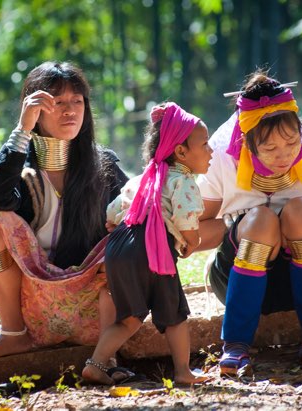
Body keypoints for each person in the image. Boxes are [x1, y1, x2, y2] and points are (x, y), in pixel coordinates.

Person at [0, 61, 131, 375]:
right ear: (34, 109)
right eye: (57, 103)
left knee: (129, 234)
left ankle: (107, 351)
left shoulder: (102, 165)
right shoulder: (18, 169)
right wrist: (22, 131)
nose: (69, 111)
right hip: (30, 303)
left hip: (90, 302)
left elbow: (136, 210)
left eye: (76, 101)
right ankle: (13, 335)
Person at [196, 71, 302, 377]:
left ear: (301, 132)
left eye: (292, 142)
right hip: (237, 278)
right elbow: (194, 235)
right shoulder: (222, 163)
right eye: (270, 148)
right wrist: (235, 225)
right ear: (247, 144)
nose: (284, 156)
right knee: (260, 220)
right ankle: (236, 344)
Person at [81, 102, 212, 385]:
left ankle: (96, 363)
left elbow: (112, 213)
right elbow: (186, 219)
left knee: (128, 318)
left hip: (119, 248)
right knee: (175, 316)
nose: (211, 150)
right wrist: (192, 242)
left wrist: (121, 228)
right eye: (205, 144)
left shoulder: (141, 179)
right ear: (181, 152)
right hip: (153, 251)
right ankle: (182, 372)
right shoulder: (184, 181)